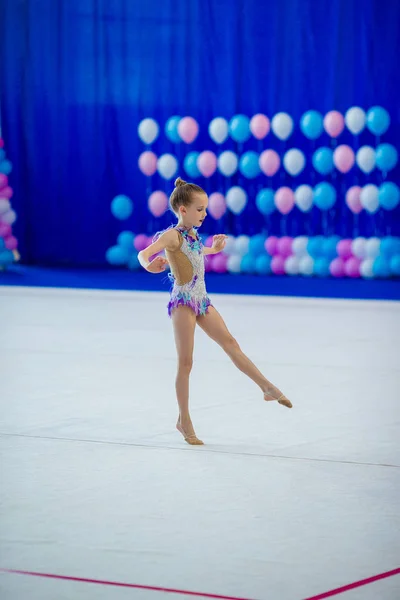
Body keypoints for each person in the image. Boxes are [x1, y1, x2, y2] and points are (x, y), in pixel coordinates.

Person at [138, 178, 292, 445]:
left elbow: (196, 251)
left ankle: (266, 387)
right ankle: (183, 420)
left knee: (231, 343)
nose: (205, 214)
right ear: (183, 210)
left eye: (205, 209)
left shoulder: (194, 235)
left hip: (202, 300)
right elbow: (143, 253)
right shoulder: (172, 235)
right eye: (200, 209)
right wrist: (150, 265)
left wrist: (214, 249)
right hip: (184, 302)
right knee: (186, 362)